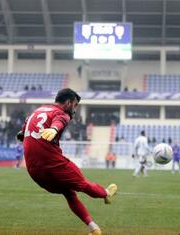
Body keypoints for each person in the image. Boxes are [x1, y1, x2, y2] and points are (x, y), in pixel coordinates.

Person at [16, 88, 117, 235]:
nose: (74, 109)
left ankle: (94, 228)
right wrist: (54, 129)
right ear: (68, 102)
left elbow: (23, 130)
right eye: (75, 105)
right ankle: (106, 193)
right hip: (53, 165)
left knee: (69, 193)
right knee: (82, 184)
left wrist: (22, 134)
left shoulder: (38, 111)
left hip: (34, 172)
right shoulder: (61, 113)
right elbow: (60, 121)